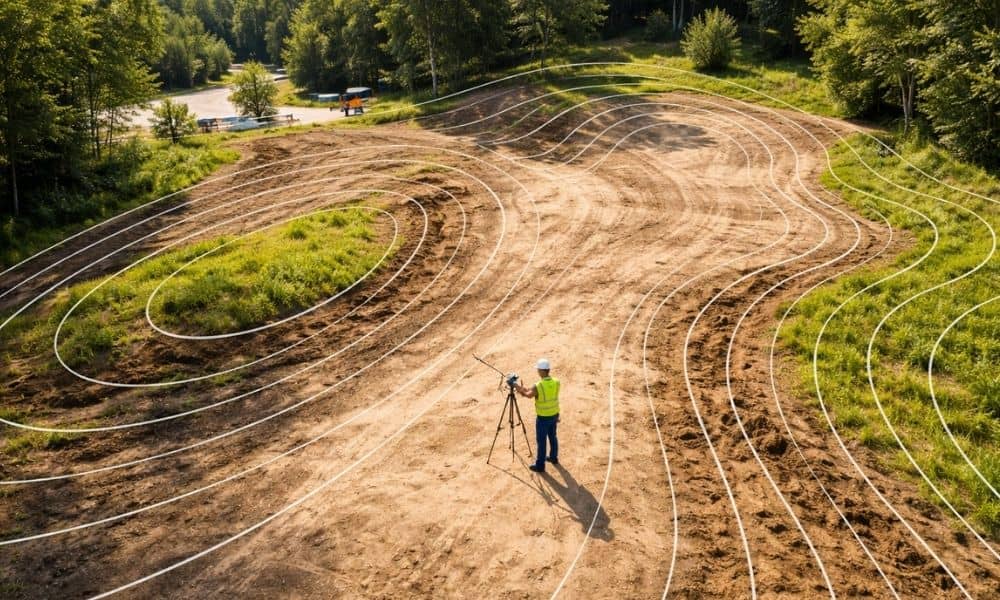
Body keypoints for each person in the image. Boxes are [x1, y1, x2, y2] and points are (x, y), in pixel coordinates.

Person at [515, 358, 560, 473]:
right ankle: (553, 458)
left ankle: (540, 465)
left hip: (543, 418)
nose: (537, 371)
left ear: (542, 371)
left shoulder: (538, 385)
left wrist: (516, 387)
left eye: (538, 370)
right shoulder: (556, 381)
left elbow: (529, 395)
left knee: (541, 441)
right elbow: (531, 391)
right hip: (554, 414)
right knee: (553, 436)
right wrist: (523, 389)